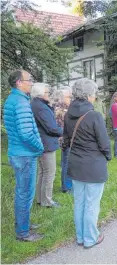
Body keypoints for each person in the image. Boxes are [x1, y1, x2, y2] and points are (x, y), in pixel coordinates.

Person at [62, 78, 111, 249]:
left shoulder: (68, 115)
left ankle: (81, 237)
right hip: (93, 165)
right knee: (91, 204)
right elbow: (104, 143)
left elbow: (66, 140)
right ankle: (90, 238)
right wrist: (108, 156)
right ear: (89, 95)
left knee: (80, 202)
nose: (95, 97)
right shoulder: (94, 115)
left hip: (75, 164)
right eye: (94, 94)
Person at [3, 70, 44, 242]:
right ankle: (23, 233)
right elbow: (26, 134)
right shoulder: (20, 102)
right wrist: (40, 146)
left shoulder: (14, 99)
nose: (31, 83)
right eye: (29, 80)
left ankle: (23, 224)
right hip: (24, 155)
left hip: (19, 153)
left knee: (24, 191)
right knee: (25, 192)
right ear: (19, 82)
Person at [31, 83, 63, 208]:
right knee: (49, 173)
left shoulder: (35, 104)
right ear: (40, 94)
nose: (48, 94)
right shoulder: (41, 107)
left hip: (41, 142)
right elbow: (51, 128)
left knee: (42, 172)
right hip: (46, 144)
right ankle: (47, 201)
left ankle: (40, 199)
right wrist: (65, 131)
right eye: (47, 93)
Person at [53, 87, 73, 193]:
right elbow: (60, 125)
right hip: (65, 139)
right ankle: (66, 186)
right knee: (67, 162)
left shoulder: (66, 107)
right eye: (68, 96)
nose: (70, 98)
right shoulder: (59, 108)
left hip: (68, 137)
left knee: (68, 161)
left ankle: (68, 184)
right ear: (62, 97)